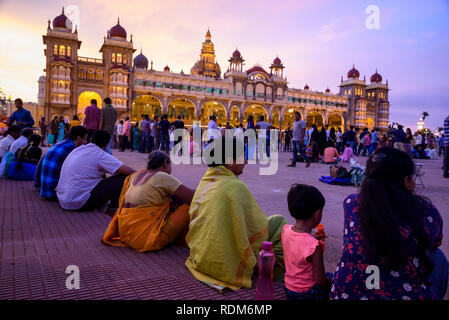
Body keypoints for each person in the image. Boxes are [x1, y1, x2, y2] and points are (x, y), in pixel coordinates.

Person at [331, 148, 448, 300]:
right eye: (412, 177)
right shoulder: (426, 211)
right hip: (404, 293)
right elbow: (435, 243)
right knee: (438, 257)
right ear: (406, 181)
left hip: (347, 293)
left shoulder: (352, 203)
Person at [185, 136, 287, 290]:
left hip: (202, 258)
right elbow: (256, 228)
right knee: (280, 223)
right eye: (242, 156)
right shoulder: (235, 186)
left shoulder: (207, 180)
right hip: (224, 265)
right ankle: (280, 272)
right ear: (230, 161)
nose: (245, 161)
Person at [102, 151, 195, 252]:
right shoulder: (162, 177)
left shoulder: (136, 175)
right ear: (165, 163)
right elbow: (192, 197)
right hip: (146, 241)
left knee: (170, 201)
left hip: (126, 235)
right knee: (188, 207)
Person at [56, 130, 135, 212]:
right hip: (79, 202)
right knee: (124, 178)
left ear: (91, 140)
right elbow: (128, 171)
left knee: (102, 175)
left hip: (63, 199)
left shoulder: (78, 149)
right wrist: (144, 175)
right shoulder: (99, 153)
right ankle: (113, 208)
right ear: (106, 145)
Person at [282, 184, 332, 300]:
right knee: (333, 277)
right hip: (307, 293)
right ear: (317, 214)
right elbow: (320, 280)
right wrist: (333, 283)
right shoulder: (314, 246)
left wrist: (311, 237)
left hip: (289, 289)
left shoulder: (286, 230)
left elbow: (298, 245)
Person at [39, 126, 88, 200]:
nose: (86, 142)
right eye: (85, 139)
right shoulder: (72, 148)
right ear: (78, 138)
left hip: (45, 190)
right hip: (53, 192)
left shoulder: (62, 143)